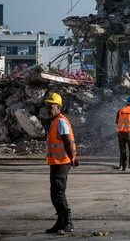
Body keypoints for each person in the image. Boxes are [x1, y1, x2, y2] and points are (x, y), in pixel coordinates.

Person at [44, 92, 78, 234]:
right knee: (55, 193)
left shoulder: (61, 121)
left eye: (50, 106)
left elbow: (68, 141)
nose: (48, 109)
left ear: (58, 106)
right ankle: (60, 222)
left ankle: (67, 222)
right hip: (56, 162)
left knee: (58, 193)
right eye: (47, 106)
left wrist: (73, 158)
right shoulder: (55, 120)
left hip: (62, 162)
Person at [115, 96, 130, 171]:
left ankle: (123, 166)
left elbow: (117, 121)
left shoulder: (120, 110)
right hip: (129, 132)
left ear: (127, 103)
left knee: (122, 149)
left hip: (120, 132)